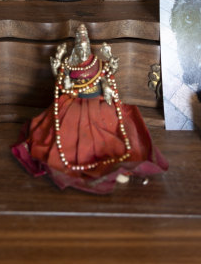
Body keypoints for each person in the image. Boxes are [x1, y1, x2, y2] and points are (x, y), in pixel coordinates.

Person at [12, 24, 168, 193]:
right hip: (75, 102)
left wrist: (107, 82)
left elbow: (108, 74)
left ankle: (114, 168)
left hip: (98, 101)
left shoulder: (98, 63)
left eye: (85, 44)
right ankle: (102, 170)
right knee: (68, 130)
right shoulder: (69, 65)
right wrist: (59, 67)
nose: (83, 49)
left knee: (114, 126)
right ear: (76, 48)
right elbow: (62, 83)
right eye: (80, 45)